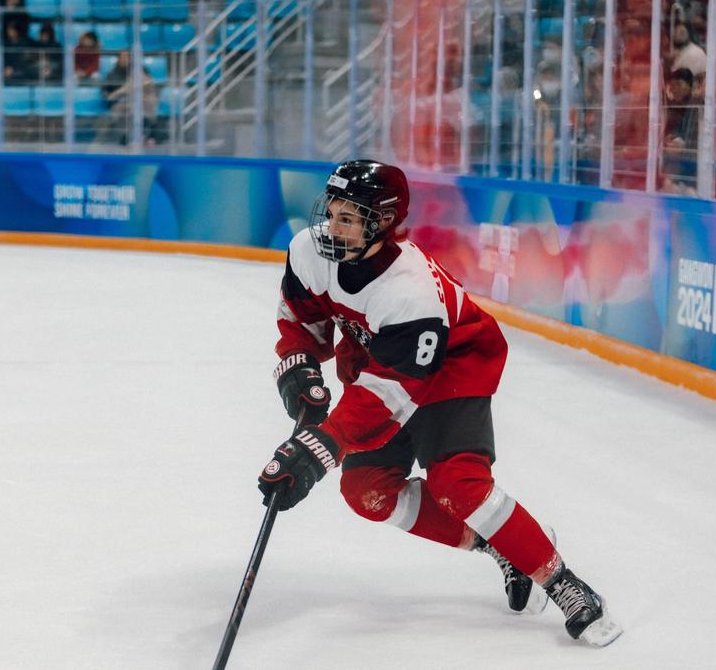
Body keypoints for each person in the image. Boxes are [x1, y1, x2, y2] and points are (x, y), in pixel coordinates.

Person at [257, 161, 622, 647]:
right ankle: (500, 548)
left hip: (452, 369)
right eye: (332, 210)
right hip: (382, 364)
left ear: (382, 223)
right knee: (367, 490)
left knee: (459, 485)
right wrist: (299, 364)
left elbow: (391, 394)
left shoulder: (410, 291)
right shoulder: (309, 250)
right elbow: (301, 320)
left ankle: (561, 582)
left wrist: (320, 445)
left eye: (349, 218)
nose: (332, 226)